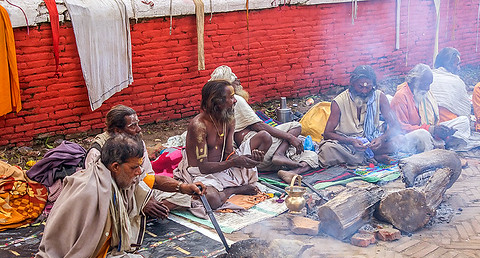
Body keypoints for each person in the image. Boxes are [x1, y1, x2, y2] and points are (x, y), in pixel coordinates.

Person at [12, 135, 205, 258]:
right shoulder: (88, 191)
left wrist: (182, 187)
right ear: (115, 167)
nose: (139, 172)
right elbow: (64, 241)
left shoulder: (119, 176)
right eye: (134, 167)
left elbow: (152, 180)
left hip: (112, 253)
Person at [86, 105, 192, 218]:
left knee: (184, 195)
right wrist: (141, 202)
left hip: (140, 189)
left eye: (138, 123)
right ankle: (139, 214)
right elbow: (99, 192)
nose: (139, 129)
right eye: (133, 126)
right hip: (116, 197)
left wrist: (182, 187)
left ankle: (144, 213)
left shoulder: (136, 143)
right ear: (117, 131)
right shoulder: (96, 153)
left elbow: (146, 177)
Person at [208, 65, 319, 174]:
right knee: (296, 126)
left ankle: (291, 173)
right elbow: (258, 126)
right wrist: (290, 137)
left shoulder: (214, 107)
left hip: (254, 157)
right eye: (235, 79)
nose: (239, 81)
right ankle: (280, 154)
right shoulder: (235, 100)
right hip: (259, 149)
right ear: (228, 85)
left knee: (308, 155)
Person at [174, 80, 265, 209]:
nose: (235, 101)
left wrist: (251, 161)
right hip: (202, 172)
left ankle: (228, 187)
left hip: (223, 166)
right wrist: (235, 162)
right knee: (212, 199)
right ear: (217, 102)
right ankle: (233, 190)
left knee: (265, 137)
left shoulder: (229, 119)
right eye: (231, 97)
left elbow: (229, 153)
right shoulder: (199, 125)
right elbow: (203, 168)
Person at [318, 65, 423, 167]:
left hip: (373, 143)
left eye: (368, 87)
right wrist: (351, 141)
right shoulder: (339, 102)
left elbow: (395, 126)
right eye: (360, 87)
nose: (364, 91)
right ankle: (372, 157)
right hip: (349, 145)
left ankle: (364, 157)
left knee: (400, 140)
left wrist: (381, 138)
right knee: (327, 149)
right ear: (352, 84)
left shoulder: (379, 97)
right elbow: (328, 133)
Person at [391, 63, 470, 148]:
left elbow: (432, 122)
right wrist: (431, 129)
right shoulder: (401, 97)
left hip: (428, 131)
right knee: (422, 134)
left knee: (463, 121)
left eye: (429, 84)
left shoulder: (424, 94)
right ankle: (437, 147)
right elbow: (401, 129)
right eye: (425, 84)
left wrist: (442, 131)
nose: (428, 88)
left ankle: (444, 140)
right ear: (414, 81)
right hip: (407, 139)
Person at [430, 47, 472, 122]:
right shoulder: (457, 81)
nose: (459, 68)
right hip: (450, 124)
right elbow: (465, 110)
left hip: (428, 122)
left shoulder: (428, 76)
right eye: (457, 64)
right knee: (465, 121)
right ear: (448, 64)